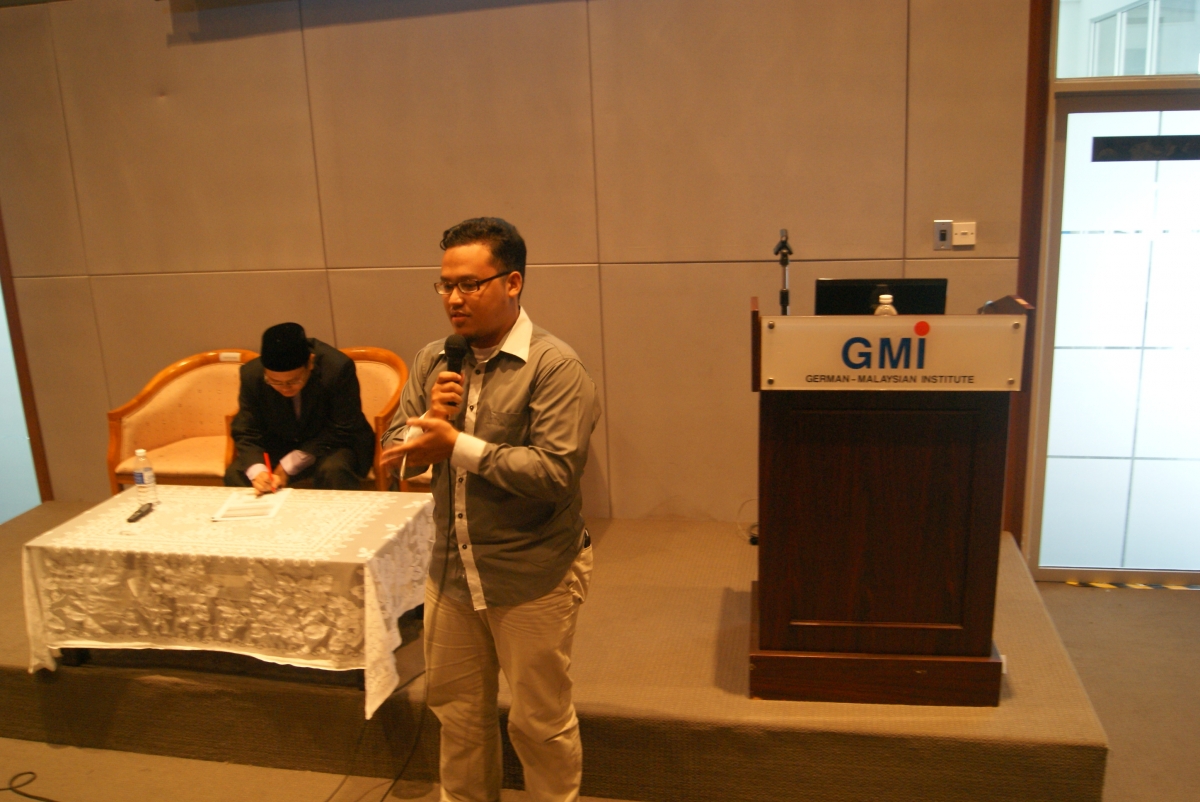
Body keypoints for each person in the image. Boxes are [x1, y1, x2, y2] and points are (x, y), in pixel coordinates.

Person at [381, 218, 600, 802]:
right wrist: (428, 426)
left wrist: (455, 444)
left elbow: (554, 474)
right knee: (457, 718)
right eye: (445, 284)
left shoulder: (555, 367)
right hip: (451, 574)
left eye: (470, 284)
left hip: (531, 575)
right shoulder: (433, 360)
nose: (454, 298)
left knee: (539, 724)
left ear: (513, 282)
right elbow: (394, 453)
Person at [226, 322, 375, 494]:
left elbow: (343, 427)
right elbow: (246, 429)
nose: (285, 388)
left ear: (310, 363)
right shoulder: (251, 375)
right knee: (236, 474)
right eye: (275, 382)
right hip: (280, 443)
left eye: (294, 381)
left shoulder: (337, 368)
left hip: (332, 444)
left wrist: (289, 465)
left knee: (333, 470)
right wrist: (258, 472)